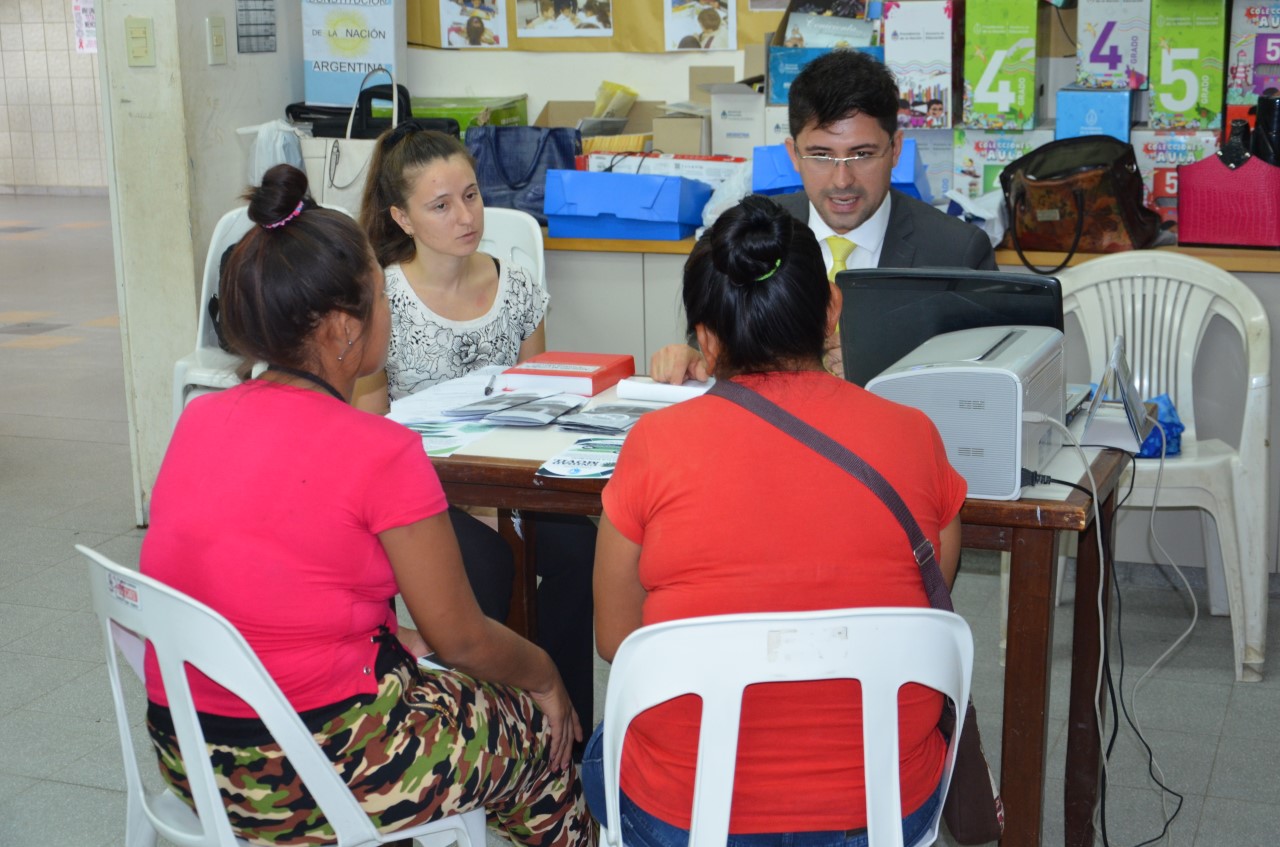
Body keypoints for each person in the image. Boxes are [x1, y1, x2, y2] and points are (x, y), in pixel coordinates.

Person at [141, 164, 595, 847]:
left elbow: (275, 581)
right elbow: (462, 639)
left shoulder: (200, 419)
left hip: (189, 755)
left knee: (437, 685)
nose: (390, 311)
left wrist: (390, 636)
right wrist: (546, 675)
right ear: (340, 328)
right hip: (310, 767)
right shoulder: (379, 450)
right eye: (381, 296)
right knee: (536, 729)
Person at [583, 195, 966, 846]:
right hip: (882, 809)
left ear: (706, 340)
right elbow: (931, 599)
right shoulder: (915, 435)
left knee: (598, 753)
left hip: (687, 812)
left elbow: (619, 640)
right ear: (833, 310)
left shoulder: (654, 444)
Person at [356, 125, 597, 744]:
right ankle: (492, 735)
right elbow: (373, 438)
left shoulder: (515, 286)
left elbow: (544, 404)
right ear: (402, 218)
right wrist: (472, 502)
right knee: (485, 565)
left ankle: (567, 731)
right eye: (440, 205)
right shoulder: (383, 298)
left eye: (471, 195)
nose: (465, 217)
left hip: (514, 480)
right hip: (425, 492)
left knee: (580, 549)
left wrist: (508, 495)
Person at [650, 50, 996, 384]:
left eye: (862, 154)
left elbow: (986, 383)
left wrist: (888, 372)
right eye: (821, 155)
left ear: (896, 150)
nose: (842, 181)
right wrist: (696, 358)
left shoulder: (958, 252)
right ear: (793, 154)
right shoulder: (750, 234)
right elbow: (715, 343)